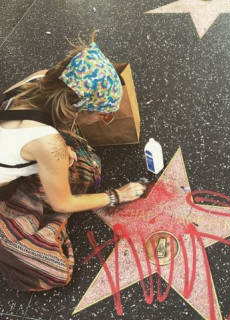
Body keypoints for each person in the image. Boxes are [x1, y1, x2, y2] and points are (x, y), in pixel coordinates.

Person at [0, 31, 146, 291]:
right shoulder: (47, 142)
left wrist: (59, 147)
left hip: (15, 160)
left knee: (84, 167)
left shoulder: (40, 78)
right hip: (4, 191)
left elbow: (40, 133)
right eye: (105, 116)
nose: (105, 121)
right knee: (54, 271)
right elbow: (62, 202)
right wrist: (116, 196)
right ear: (81, 107)